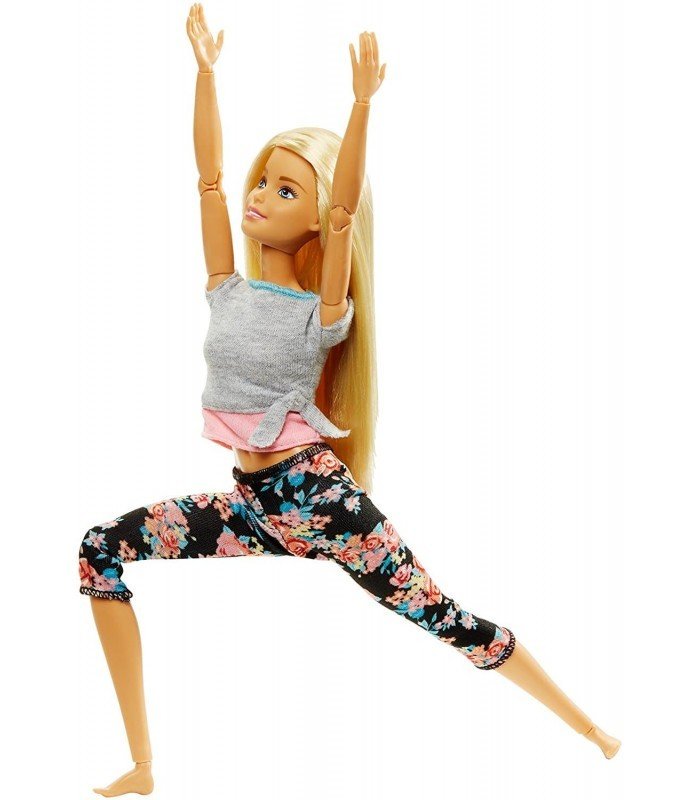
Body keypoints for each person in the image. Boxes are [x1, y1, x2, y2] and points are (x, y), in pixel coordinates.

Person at [79, 5, 620, 796]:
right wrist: (205, 75)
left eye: (285, 188)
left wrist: (361, 106)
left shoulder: (319, 314)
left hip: (320, 501)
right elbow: (209, 180)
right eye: (264, 180)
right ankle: (143, 767)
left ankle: (589, 728)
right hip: (252, 507)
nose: (260, 195)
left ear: (317, 216)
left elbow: (344, 215)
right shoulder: (226, 288)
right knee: (99, 548)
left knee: (443, 616)